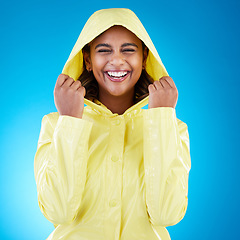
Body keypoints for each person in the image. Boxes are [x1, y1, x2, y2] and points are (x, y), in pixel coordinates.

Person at [34, 8, 191, 240]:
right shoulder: (56, 124)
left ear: (144, 59)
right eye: (103, 50)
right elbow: (58, 211)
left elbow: (167, 214)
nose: (117, 60)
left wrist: (161, 118)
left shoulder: (172, 128)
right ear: (87, 60)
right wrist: (70, 121)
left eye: (128, 50)